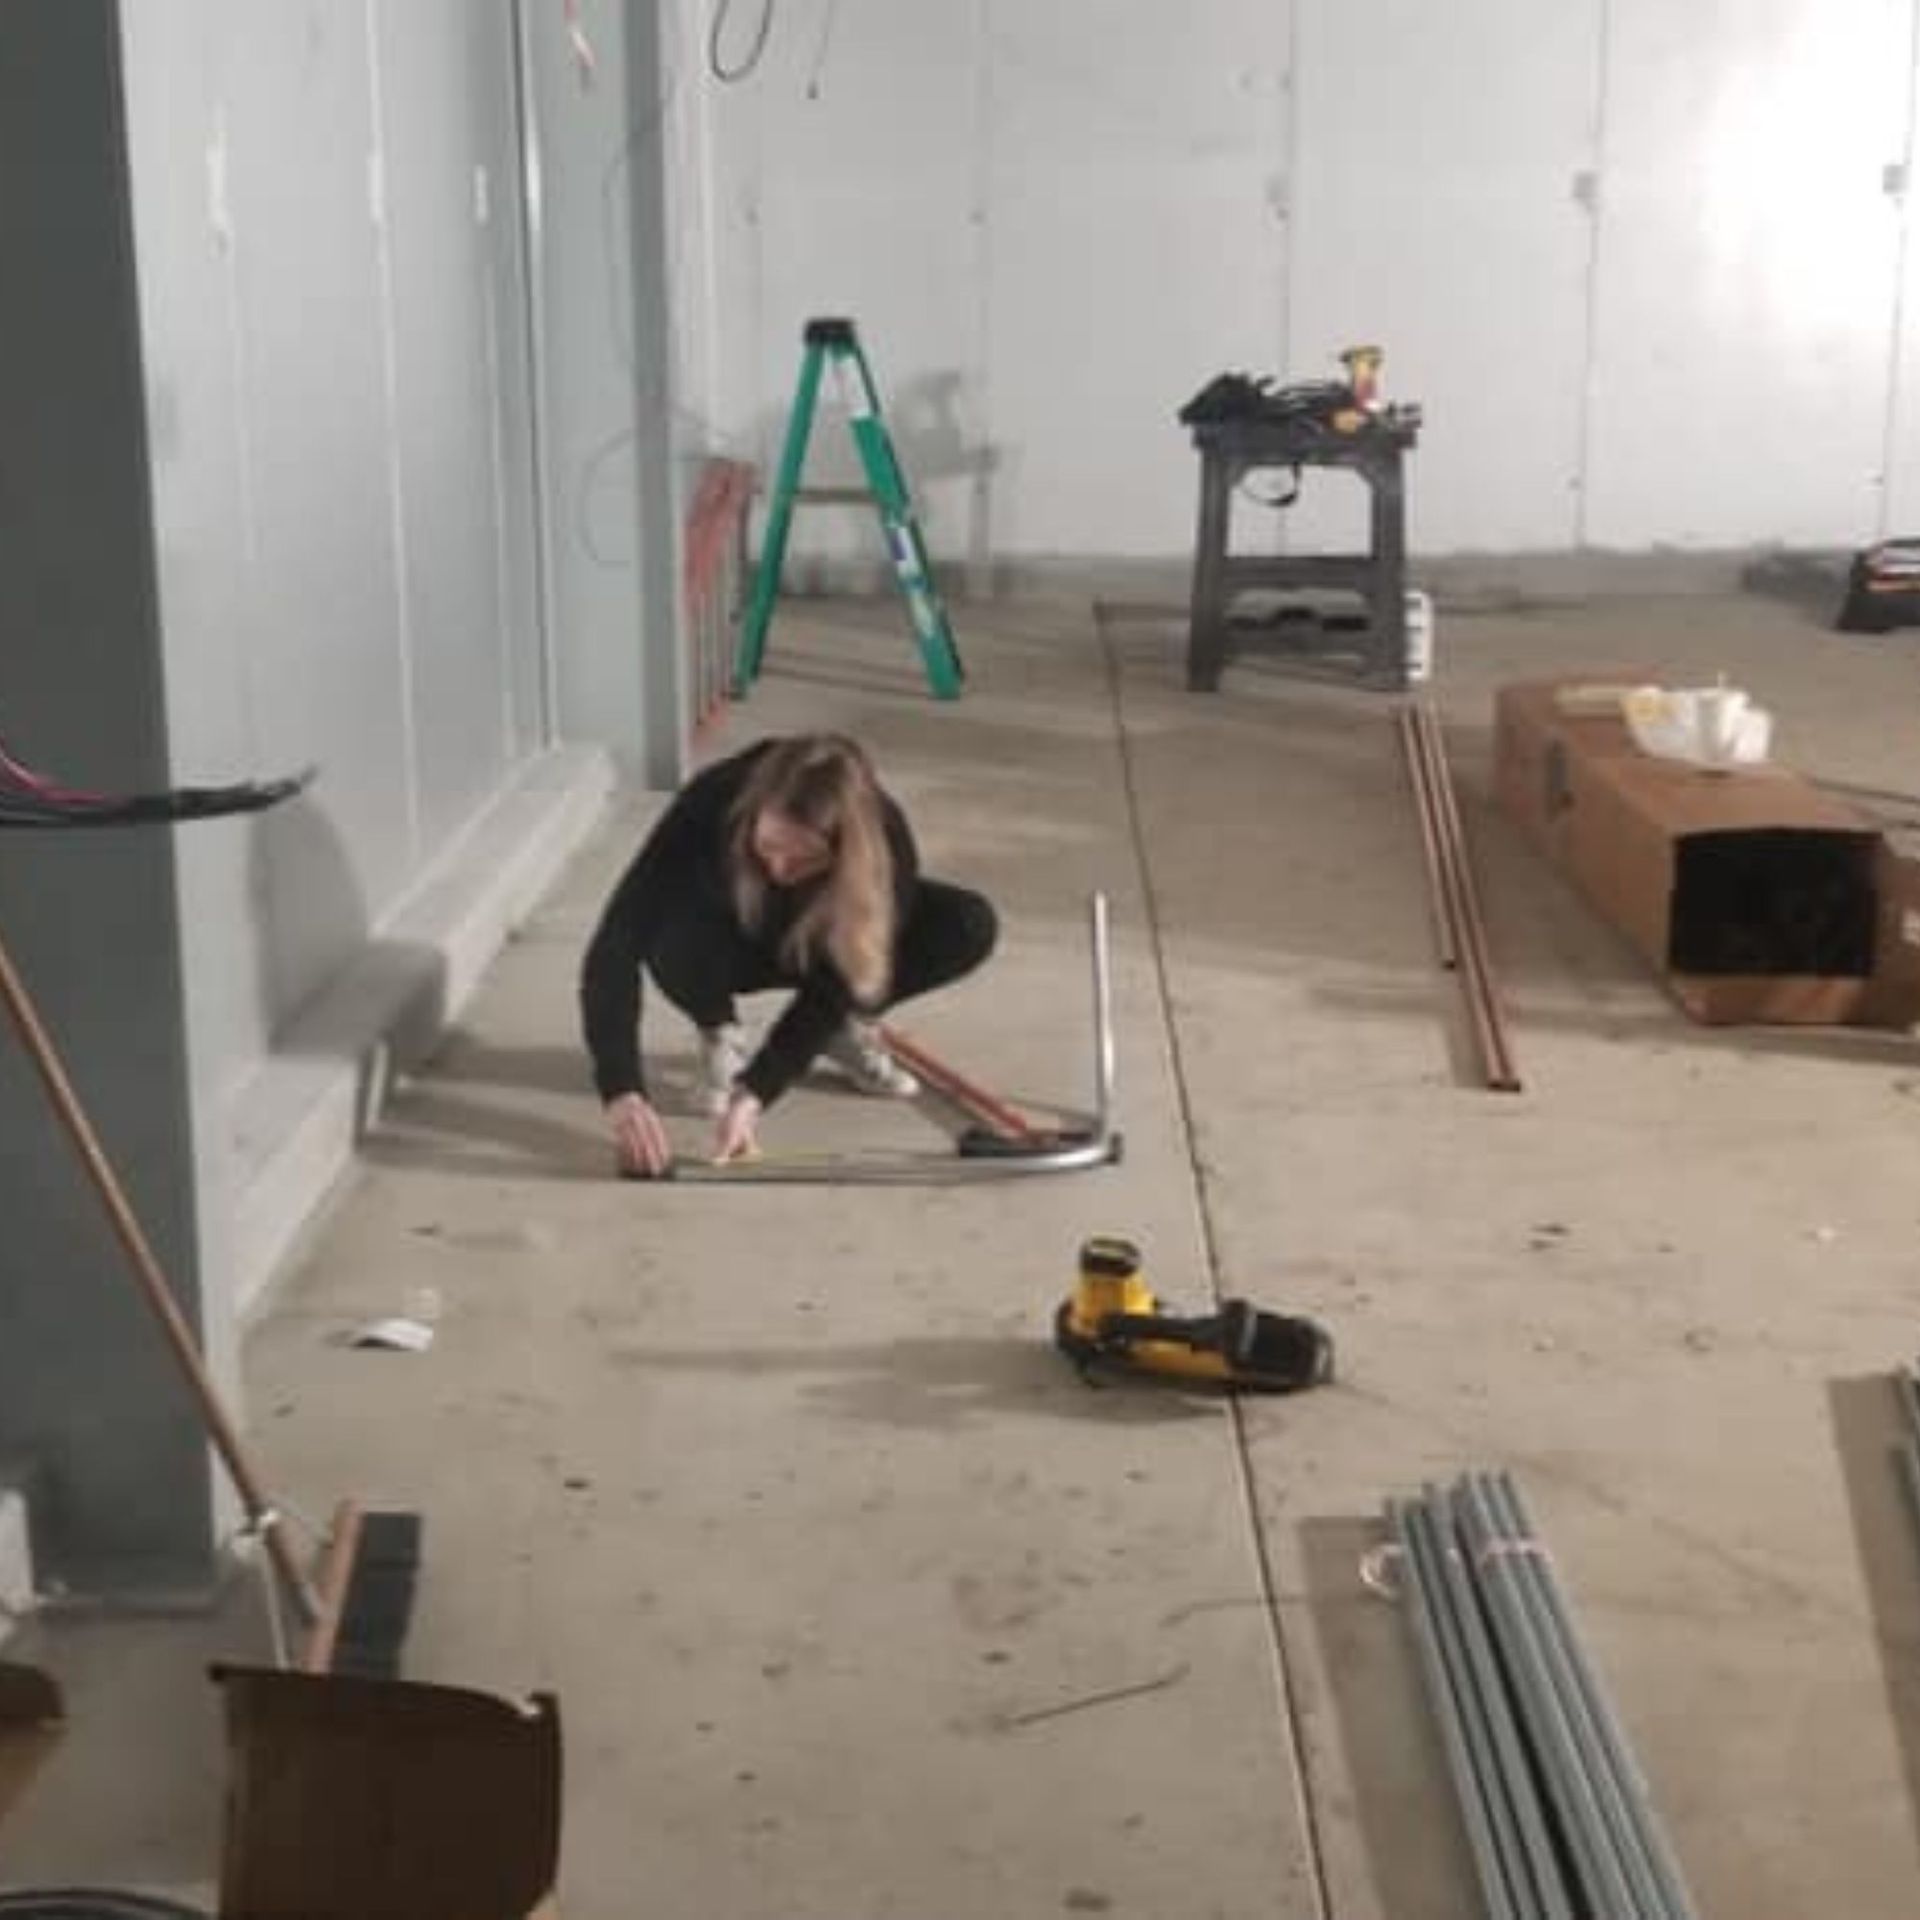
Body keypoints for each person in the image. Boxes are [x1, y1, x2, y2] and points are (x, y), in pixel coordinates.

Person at [580, 733, 997, 1177]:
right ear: (753, 814)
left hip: (817, 942)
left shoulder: (885, 841)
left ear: (846, 850)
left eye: (805, 860)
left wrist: (755, 1094)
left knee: (965, 922)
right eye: (768, 848)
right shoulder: (711, 800)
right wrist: (622, 1090)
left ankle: (843, 1026)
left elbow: (834, 984)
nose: (779, 869)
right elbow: (616, 943)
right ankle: (717, 1028)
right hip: (727, 941)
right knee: (663, 921)